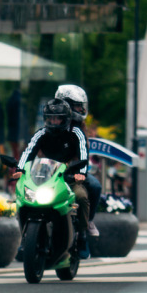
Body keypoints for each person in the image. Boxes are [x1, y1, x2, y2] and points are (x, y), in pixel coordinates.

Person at [15, 97, 91, 257]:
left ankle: (82, 236)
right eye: (50, 117)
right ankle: (25, 239)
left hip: (68, 177)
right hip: (44, 177)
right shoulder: (41, 133)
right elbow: (29, 151)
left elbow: (83, 152)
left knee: (81, 197)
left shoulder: (76, 133)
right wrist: (20, 169)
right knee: (23, 200)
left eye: (57, 118)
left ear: (66, 119)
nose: (53, 121)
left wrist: (81, 172)